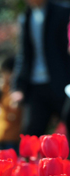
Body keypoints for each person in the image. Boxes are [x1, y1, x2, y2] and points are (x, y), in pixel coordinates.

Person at [13, 0, 70, 136]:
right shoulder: (25, 17)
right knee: (32, 133)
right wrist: (18, 87)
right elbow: (24, 54)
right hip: (35, 85)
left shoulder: (63, 11)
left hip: (62, 82)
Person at [0, 55, 22, 150]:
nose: (1, 77)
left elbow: (13, 107)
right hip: (0, 132)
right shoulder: (1, 87)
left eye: (3, 73)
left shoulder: (15, 89)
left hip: (12, 134)